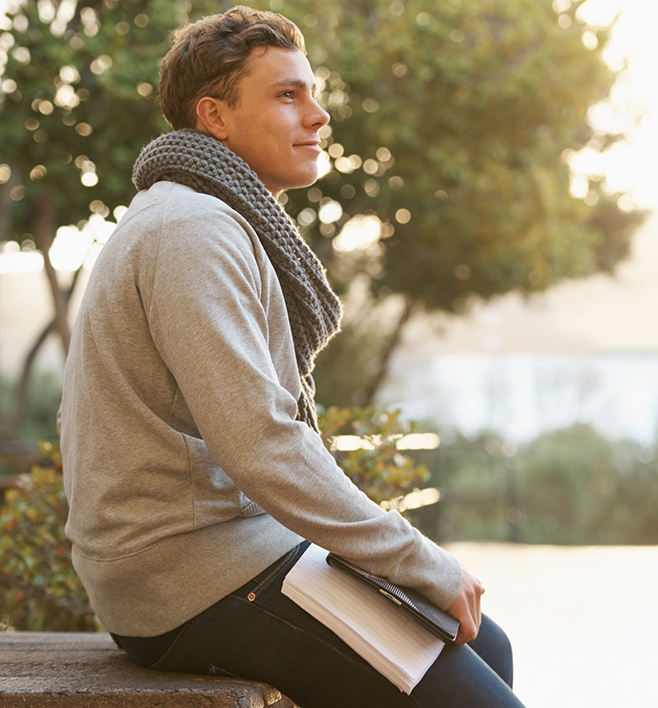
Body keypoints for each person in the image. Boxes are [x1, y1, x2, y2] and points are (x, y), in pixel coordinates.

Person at [58, 7, 525, 707]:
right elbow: (262, 444)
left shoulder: (213, 217)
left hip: (228, 549)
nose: (319, 115)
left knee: (487, 643)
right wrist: (417, 558)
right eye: (287, 95)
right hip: (185, 579)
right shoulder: (192, 231)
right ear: (214, 117)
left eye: (312, 91)